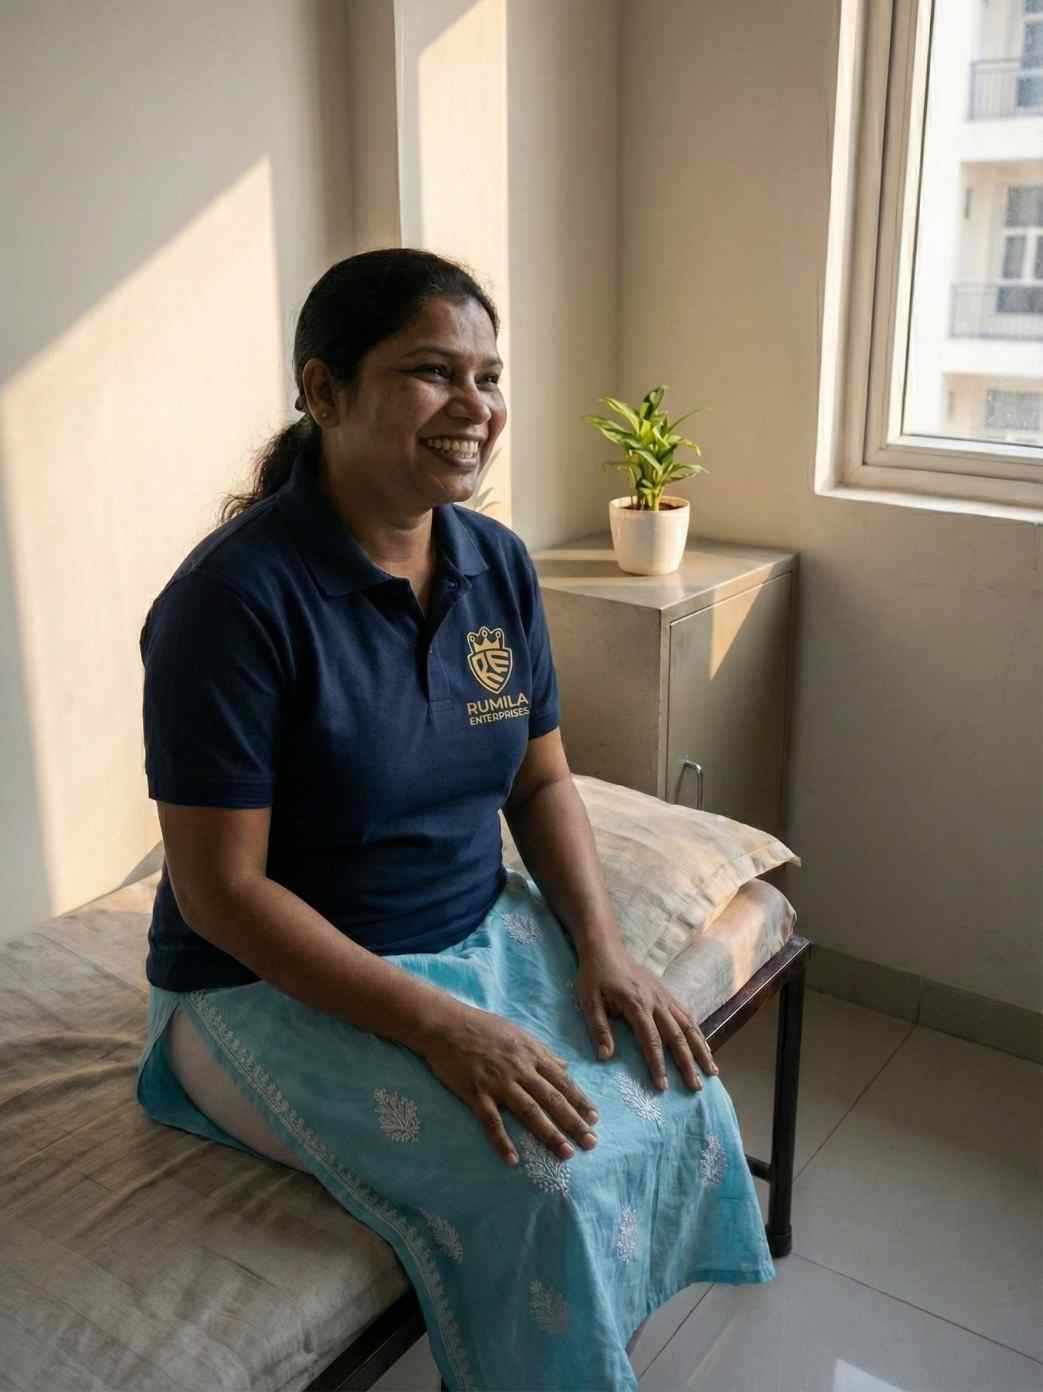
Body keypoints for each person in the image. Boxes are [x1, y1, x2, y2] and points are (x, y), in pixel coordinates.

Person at [135, 248, 775, 1392]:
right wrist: (437, 1027)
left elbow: (536, 783)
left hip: (467, 930)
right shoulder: (231, 606)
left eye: (487, 376)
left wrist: (605, 949)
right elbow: (218, 894)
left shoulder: (492, 562)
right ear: (324, 392)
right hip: (261, 988)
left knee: (678, 1085)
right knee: (545, 1180)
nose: (475, 408)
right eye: (433, 373)